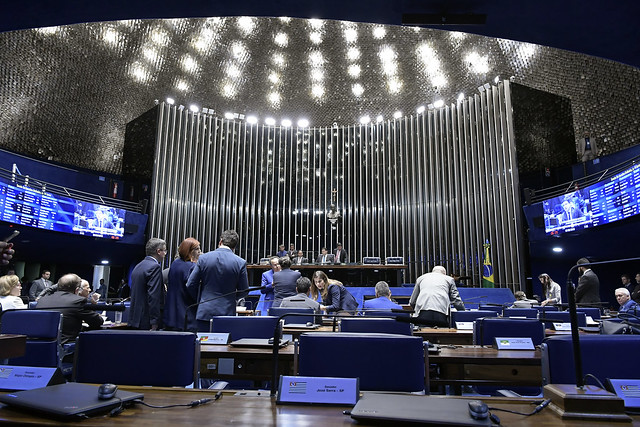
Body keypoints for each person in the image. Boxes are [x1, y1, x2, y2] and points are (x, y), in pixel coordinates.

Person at [186, 230, 249, 332]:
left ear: (220, 241)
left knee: (203, 345)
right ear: (235, 246)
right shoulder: (240, 262)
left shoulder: (203, 258)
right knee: (224, 345)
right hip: (227, 312)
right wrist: (231, 297)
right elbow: (244, 291)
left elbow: (190, 284)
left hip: (205, 310)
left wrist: (200, 299)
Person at [36, 273, 103, 343]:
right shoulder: (78, 301)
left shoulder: (43, 299)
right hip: (65, 346)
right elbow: (97, 322)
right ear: (77, 290)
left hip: (40, 346)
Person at [163, 237, 201, 331]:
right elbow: (192, 289)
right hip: (186, 314)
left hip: (171, 314)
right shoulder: (192, 267)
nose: (200, 251)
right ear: (189, 251)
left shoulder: (175, 264)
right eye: (197, 249)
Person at [129, 237, 167, 330]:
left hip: (135, 319)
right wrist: (154, 322)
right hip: (147, 321)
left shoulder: (138, 266)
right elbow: (153, 296)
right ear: (158, 251)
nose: (165, 254)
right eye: (165, 250)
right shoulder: (154, 267)